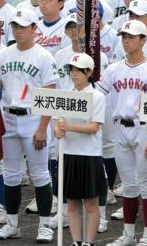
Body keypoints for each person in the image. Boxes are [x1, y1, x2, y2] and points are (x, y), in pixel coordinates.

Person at [0, 8, 59, 243]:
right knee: (10, 175)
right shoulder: (4, 54)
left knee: (40, 174)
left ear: (34, 28)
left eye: (23, 26)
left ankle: (44, 226)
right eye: (15, 26)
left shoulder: (44, 56)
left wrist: (42, 128)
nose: (18, 31)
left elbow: (50, 94)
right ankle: (12, 224)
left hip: (33, 118)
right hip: (8, 118)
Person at [97, 20, 147, 246]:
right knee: (128, 185)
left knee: (146, 186)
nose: (126, 41)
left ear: (143, 40)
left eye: (131, 37)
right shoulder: (114, 68)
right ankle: (128, 235)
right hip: (120, 128)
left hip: (144, 129)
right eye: (124, 36)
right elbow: (97, 95)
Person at [54, 53, 107, 246]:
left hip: (89, 155)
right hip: (68, 153)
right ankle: (77, 241)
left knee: (91, 203)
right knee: (73, 202)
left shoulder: (97, 96)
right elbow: (57, 121)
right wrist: (57, 129)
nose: (74, 74)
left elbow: (94, 127)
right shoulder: (66, 94)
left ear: (89, 72)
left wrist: (67, 128)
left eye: (79, 70)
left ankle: (89, 242)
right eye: (72, 70)